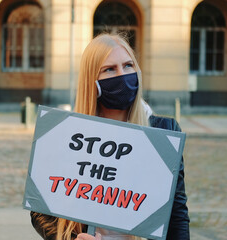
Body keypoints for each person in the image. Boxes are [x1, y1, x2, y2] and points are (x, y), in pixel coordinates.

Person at [31, 33, 190, 240]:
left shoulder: (164, 133)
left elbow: (177, 212)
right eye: (109, 69)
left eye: (128, 66)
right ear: (92, 81)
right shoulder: (67, 135)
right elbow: (40, 211)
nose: (122, 75)